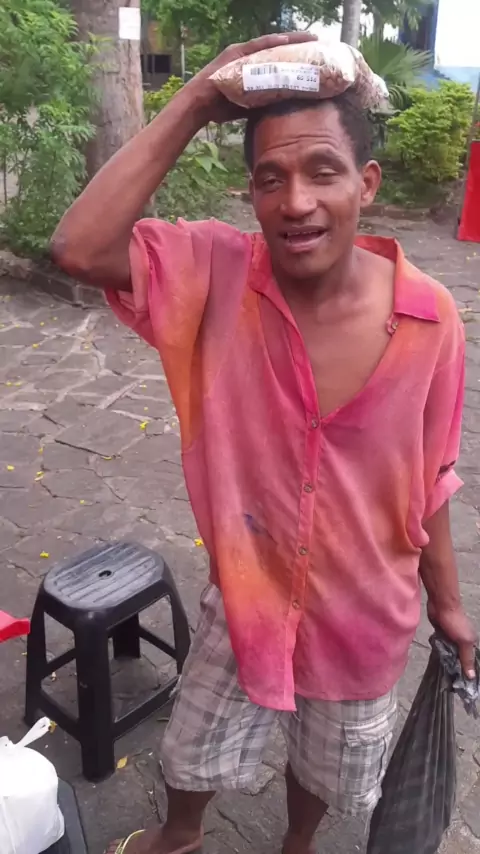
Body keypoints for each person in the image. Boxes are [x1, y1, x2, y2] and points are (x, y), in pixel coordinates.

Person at [51, 32, 477, 854]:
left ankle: (297, 844)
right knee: (191, 749)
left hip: (364, 621)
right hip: (245, 603)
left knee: (321, 770)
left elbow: (429, 481)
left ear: (366, 183)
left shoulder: (431, 320)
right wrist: (197, 99)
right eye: (271, 178)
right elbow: (80, 248)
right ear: (250, 194)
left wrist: (450, 605)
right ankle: (180, 835)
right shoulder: (213, 277)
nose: (297, 201)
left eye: (323, 171)